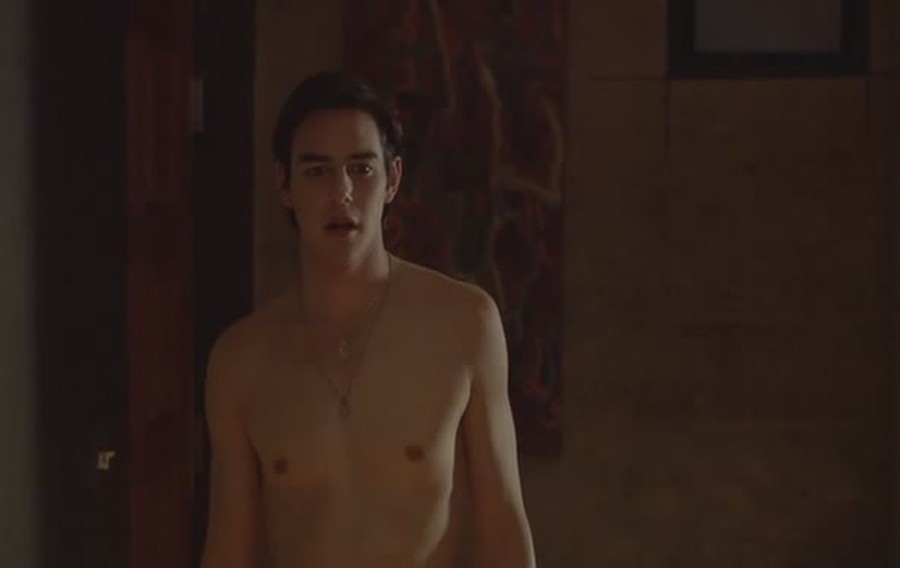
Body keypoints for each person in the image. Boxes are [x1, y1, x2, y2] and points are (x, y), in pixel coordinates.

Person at [200, 70, 535, 568]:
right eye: (317, 171)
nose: (342, 192)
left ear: (392, 179)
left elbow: (504, 529)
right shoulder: (240, 360)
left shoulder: (464, 324)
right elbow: (228, 552)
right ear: (284, 184)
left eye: (361, 168)